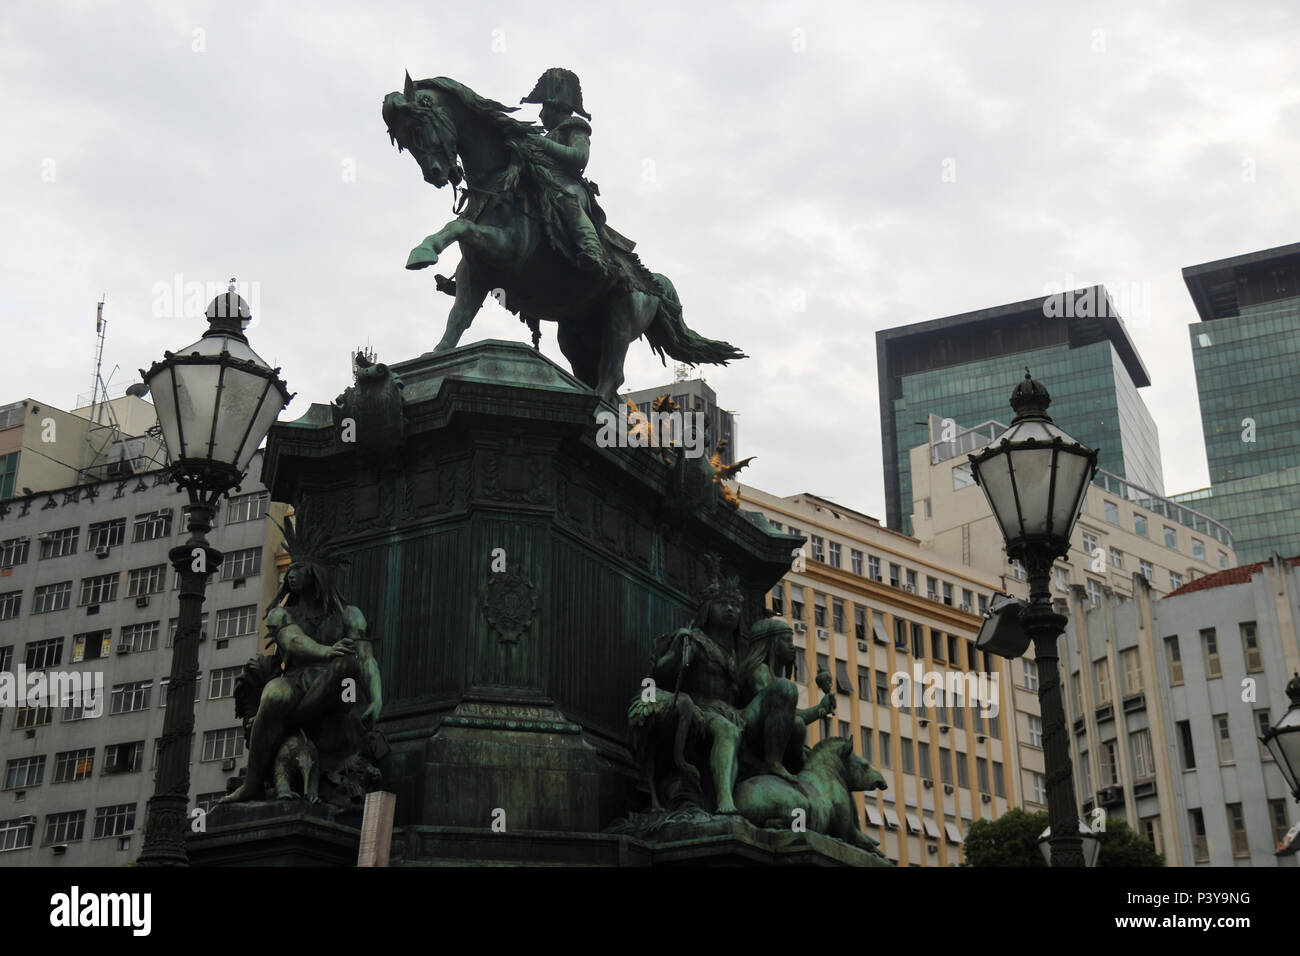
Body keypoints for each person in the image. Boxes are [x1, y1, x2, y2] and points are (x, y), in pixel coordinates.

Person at [223, 518, 382, 803]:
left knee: (348, 665)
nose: (291, 575)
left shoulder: (350, 615)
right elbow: (292, 641)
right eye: (290, 569)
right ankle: (252, 784)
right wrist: (326, 650)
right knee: (273, 693)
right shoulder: (281, 614)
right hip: (297, 681)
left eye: (299, 568)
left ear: (316, 572)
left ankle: (283, 726)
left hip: (334, 684)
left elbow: (367, 659)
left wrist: (377, 698)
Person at [521, 67, 609, 273]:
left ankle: (592, 250)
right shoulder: (541, 137)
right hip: (541, 182)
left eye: (544, 107)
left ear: (554, 107)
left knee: (566, 198)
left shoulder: (575, 127)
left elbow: (579, 158)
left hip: (567, 183)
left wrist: (541, 144)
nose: (541, 114)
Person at [739, 616, 836, 781]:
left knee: (797, 724)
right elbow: (773, 715)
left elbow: (785, 718)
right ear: (771, 644)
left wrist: (820, 709)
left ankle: (795, 766)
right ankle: (773, 762)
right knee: (788, 697)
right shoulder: (759, 670)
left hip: (765, 735)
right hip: (750, 730)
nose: (792, 647)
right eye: (786, 641)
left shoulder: (773, 677)